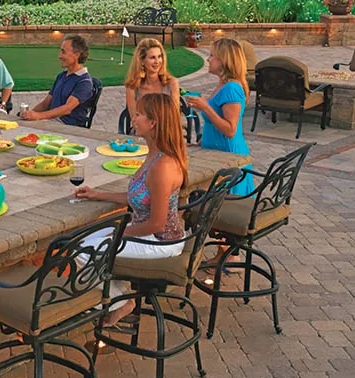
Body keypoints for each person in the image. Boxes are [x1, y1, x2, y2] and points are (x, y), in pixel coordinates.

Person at [74, 93, 188, 326]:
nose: (133, 119)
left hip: (160, 241)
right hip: (148, 232)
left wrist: (119, 233)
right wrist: (98, 195)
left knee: (84, 251)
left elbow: (156, 223)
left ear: (153, 123)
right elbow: (141, 198)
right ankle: (115, 296)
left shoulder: (162, 167)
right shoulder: (154, 155)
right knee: (78, 240)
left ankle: (119, 302)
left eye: (138, 115)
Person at [184, 38, 253, 270]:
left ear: (224, 60)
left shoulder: (232, 88)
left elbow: (230, 129)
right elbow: (217, 126)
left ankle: (230, 257)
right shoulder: (224, 85)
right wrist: (202, 142)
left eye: (212, 55)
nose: (208, 59)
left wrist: (204, 107)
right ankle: (224, 254)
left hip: (229, 156)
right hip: (215, 152)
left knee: (221, 207)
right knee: (216, 205)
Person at [20, 35, 94, 127]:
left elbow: (67, 109)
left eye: (63, 52)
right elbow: (45, 104)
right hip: (52, 122)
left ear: (77, 54)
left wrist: (38, 116)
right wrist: (28, 114)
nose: (59, 56)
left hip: (68, 127)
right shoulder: (62, 76)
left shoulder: (84, 82)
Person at [125, 38, 180, 123]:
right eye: (152, 58)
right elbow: (135, 120)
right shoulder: (132, 87)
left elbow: (174, 116)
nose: (157, 61)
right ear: (142, 61)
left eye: (159, 56)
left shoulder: (172, 83)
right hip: (141, 132)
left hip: (167, 130)